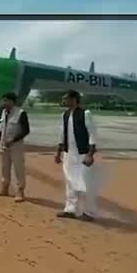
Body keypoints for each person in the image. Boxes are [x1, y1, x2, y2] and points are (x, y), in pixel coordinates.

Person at [55, 90, 99, 222]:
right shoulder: (65, 115)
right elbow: (62, 134)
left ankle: (89, 212)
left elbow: (92, 134)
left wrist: (90, 154)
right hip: (69, 153)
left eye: (66, 99)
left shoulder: (85, 114)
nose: (64, 101)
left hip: (82, 153)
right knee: (70, 181)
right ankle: (70, 209)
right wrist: (58, 152)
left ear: (74, 99)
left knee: (85, 182)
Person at [0, 92, 30, 202]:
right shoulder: (4, 112)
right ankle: (4, 188)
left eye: (6, 100)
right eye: (4, 100)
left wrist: (13, 140)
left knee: (18, 168)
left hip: (16, 146)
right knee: (5, 168)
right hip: (4, 145)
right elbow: (2, 127)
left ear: (12, 101)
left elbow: (26, 130)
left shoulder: (21, 113)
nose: (4, 103)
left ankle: (20, 191)